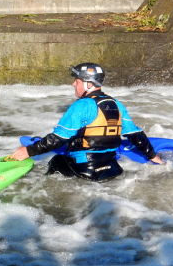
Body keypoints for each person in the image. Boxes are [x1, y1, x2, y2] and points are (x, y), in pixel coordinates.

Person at [10, 63, 163, 182]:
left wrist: (28, 151)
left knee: (57, 160)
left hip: (83, 171)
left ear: (88, 84)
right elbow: (134, 133)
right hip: (113, 169)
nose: (73, 84)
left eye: (76, 81)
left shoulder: (81, 105)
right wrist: (152, 156)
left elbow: (58, 138)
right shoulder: (116, 104)